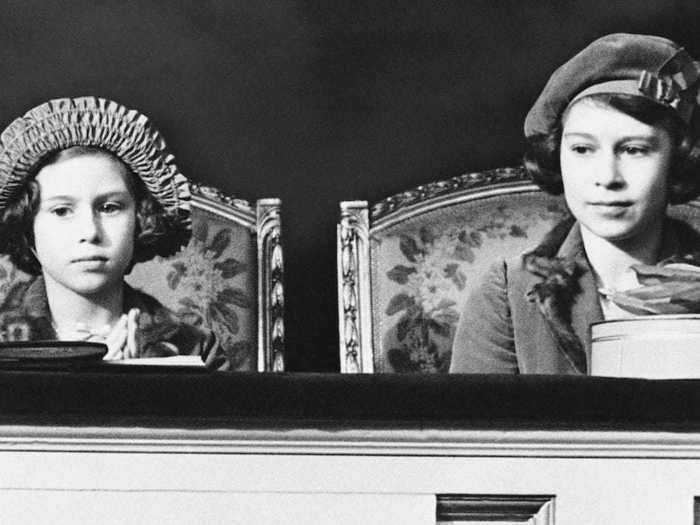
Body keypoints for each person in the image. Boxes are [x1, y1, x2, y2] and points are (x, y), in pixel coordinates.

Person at [450, 33, 700, 374]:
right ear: (558, 156)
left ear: (677, 159)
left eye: (634, 149)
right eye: (583, 149)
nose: (607, 177)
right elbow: (482, 426)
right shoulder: (508, 293)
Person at [0, 96, 229, 370]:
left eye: (109, 208)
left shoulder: (194, 346)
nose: (89, 232)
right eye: (62, 211)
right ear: (27, 228)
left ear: (140, 219)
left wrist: (135, 390)